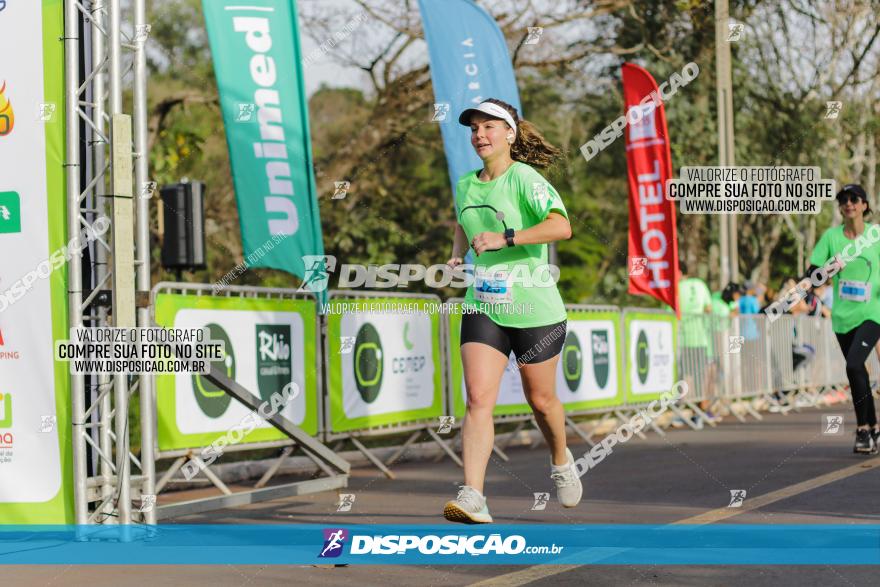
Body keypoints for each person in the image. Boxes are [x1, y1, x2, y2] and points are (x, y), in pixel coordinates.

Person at [444, 99, 579, 523]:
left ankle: (560, 458)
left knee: (541, 401)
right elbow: (462, 222)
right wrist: (454, 255)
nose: (479, 135)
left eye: (489, 127)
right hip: (484, 305)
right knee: (478, 398)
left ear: (510, 134)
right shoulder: (466, 183)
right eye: (474, 129)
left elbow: (561, 225)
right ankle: (473, 496)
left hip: (534, 308)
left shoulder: (525, 178)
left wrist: (507, 238)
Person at [801, 184, 880, 454]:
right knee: (858, 371)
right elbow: (813, 273)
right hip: (843, 316)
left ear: (864, 205)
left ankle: (862, 430)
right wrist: (828, 268)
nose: (849, 203)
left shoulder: (875, 235)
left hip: (873, 313)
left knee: (853, 365)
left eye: (854, 199)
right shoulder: (832, 237)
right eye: (843, 200)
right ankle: (873, 427)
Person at [677, 261, 714, 425]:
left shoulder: (674, 288)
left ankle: (691, 412)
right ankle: (698, 412)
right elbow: (708, 308)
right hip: (700, 339)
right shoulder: (700, 284)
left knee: (685, 378)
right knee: (699, 378)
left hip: (683, 339)